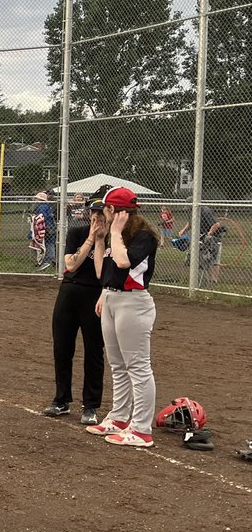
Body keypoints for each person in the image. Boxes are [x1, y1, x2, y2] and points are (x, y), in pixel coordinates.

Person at [88, 187, 160, 447]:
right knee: (117, 365)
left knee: (138, 368)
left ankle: (141, 429)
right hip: (113, 300)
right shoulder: (115, 236)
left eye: (105, 209)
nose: (101, 214)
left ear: (114, 211)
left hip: (133, 303)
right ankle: (119, 417)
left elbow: (122, 262)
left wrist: (115, 233)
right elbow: (102, 271)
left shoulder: (143, 236)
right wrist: (100, 240)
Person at [44, 195, 107, 424]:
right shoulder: (77, 233)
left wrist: (100, 240)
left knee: (93, 351)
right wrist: (90, 239)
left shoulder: (113, 240)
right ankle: (61, 400)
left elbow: (102, 274)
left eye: (102, 213)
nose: (97, 218)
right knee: (62, 348)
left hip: (95, 296)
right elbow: (70, 264)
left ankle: (90, 405)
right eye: (94, 213)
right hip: (68, 292)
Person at [176, 205, 224, 285]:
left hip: (213, 239)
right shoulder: (191, 211)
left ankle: (214, 281)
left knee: (213, 259)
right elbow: (191, 222)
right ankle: (194, 279)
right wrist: (184, 230)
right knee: (198, 258)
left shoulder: (206, 211)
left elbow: (216, 224)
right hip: (199, 237)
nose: (189, 210)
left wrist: (210, 233)